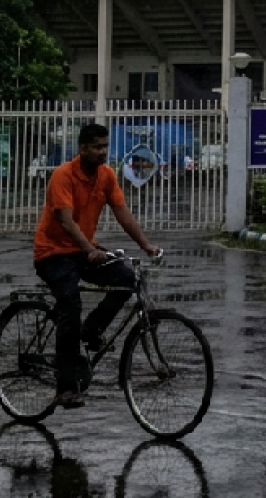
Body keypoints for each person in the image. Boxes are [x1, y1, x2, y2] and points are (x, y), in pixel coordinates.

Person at [33, 122, 160, 409]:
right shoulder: (63, 176)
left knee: (127, 279)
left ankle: (91, 331)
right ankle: (65, 387)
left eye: (106, 146)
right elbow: (66, 221)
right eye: (97, 147)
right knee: (70, 305)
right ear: (83, 148)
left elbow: (122, 212)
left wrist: (146, 245)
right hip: (52, 253)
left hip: (83, 251)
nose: (103, 152)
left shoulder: (106, 175)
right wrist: (89, 248)